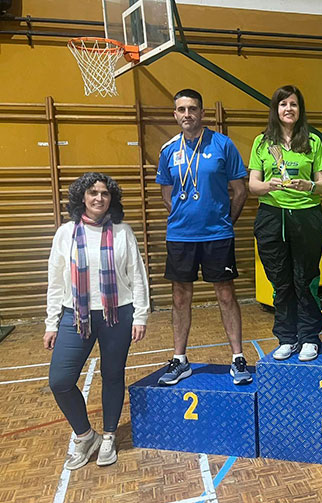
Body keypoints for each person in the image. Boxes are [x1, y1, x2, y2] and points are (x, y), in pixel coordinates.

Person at [44, 172, 150, 470]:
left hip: (118, 313)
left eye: (104, 193)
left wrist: (140, 314)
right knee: (60, 380)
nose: (99, 198)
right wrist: (51, 322)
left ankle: (109, 436)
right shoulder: (65, 233)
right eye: (93, 193)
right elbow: (54, 281)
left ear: (111, 199)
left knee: (113, 375)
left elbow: (137, 276)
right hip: (74, 314)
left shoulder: (122, 232)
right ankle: (85, 434)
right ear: (82, 197)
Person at [155, 88, 251, 385]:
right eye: (181, 110)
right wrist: (184, 216)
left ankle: (237, 357)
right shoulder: (169, 151)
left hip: (217, 235)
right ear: (175, 115)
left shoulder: (222, 145)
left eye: (192, 109)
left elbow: (240, 190)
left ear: (202, 112)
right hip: (181, 236)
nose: (187, 114)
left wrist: (225, 222)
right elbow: (166, 192)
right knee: (180, 298)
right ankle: (180, 360)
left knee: (225, 295)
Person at [248, 85, 322, 362]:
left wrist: (309, 185)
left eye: (293, 104)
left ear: (299, 109)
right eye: (283, 104)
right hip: (272, 216)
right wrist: (267, 185)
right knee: (281, 282)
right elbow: (252, 185)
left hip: (307, 216)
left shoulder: (313, 141)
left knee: (304, 279)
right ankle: (286, 337)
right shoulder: (262, 142)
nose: (288, 109)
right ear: (276, 109)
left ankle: (309, 337)